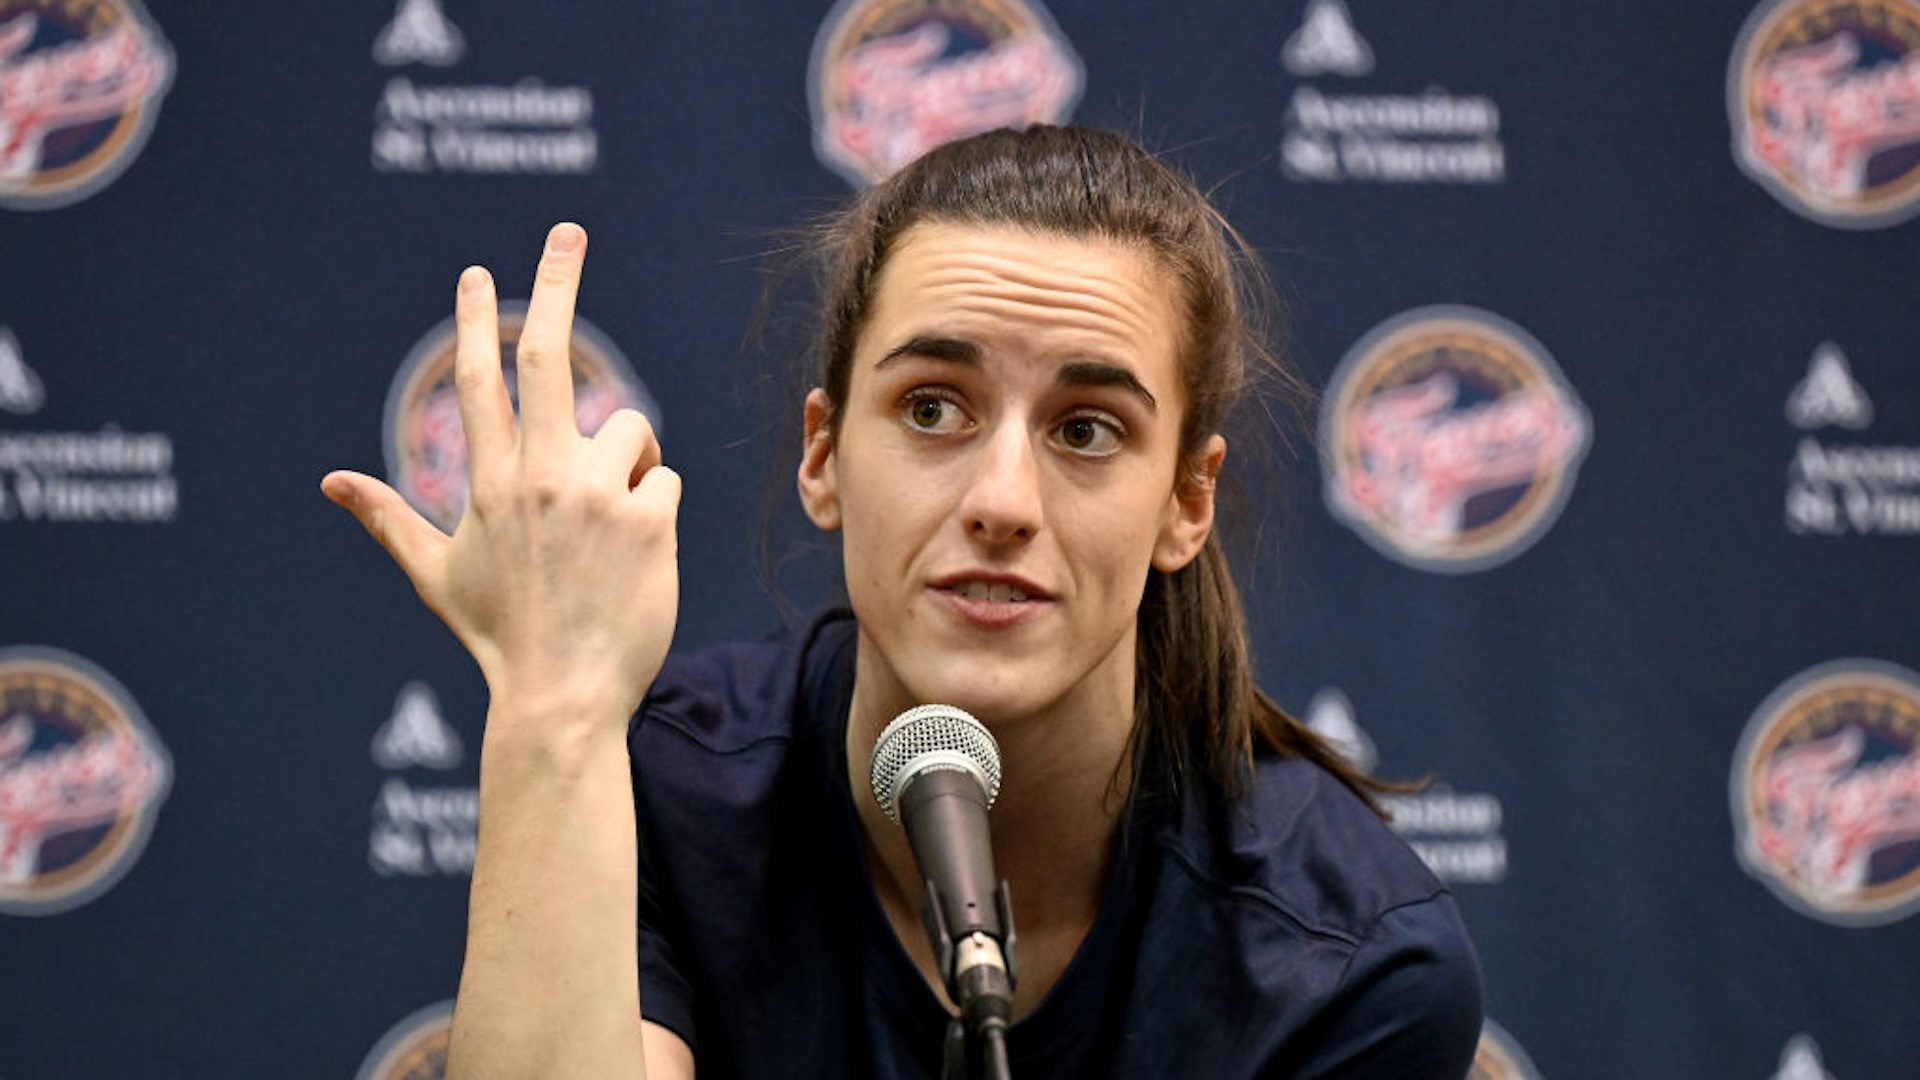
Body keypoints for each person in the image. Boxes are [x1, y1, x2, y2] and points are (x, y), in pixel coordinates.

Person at [322, 124, 1483, 1079]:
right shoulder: (659, 786)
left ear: (1187, 501)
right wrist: (554, 701)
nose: (1001, 501)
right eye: (933, 408)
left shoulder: (1351, 964)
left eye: (1087, 431)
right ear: (824, 457)